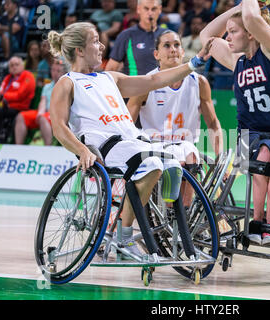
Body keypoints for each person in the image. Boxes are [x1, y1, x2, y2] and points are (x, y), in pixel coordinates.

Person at [47, 22, 210, 256]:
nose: (102, 45)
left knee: (174, 161)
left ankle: (170, 225)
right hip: (106, 145)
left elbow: (154, 81)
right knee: (151, 165)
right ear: (80, 51)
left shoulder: (109, 77)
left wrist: (193, 64)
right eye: (95, 41)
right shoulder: (67, 82)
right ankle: (124, 237)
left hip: (134, 141)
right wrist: (82, 150)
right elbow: (59, 127)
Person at [200, 0, 270, 245]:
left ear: (249, 33)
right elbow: (206, 36)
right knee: (261, 154)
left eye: (233, 31)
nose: (228, 36)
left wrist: (249, 6)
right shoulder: (237, 62)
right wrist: (235, 11)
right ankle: (255, 222)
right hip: (248, 138)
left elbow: (253, 20)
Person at [127, 30, 223, 207]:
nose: (173, 49)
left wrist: (219, 155)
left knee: (189, 155)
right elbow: (126, 124)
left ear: (183, 52)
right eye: (167, 45)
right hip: (154, 146)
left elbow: (213, 123)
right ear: (157, 55)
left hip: (184, 145)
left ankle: (182, 215)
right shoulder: (146, 82)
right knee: (177, 161)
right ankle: (172, 214)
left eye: (177, 45)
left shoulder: (199, 82)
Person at [14, 58, 67, 145]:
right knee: (21, 116)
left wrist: (45, 115)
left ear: (64, 73)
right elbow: (43, 101)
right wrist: (40, 113)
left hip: (59, 116)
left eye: (58, 71)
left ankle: (47, 148)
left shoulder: (67, 86)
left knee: (43, 118)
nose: (55, 73)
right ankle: (18, 147)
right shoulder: (47, 87)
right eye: (53, 70)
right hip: (46, 114)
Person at [105, 0, 166, 75]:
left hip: (163, 86)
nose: (150, 13)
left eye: (154, 9)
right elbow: (111, 68)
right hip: (135, 85)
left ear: (160, 9)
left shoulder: (168, 35)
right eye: (146, 9)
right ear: (138, 9)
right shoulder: (126, 35)